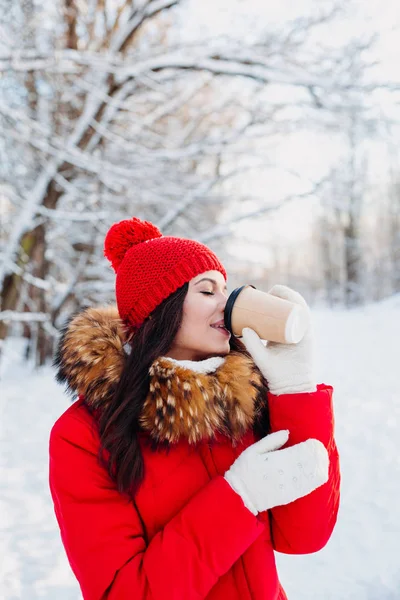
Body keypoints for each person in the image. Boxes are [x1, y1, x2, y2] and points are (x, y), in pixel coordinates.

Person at [49, 217, 340, 600]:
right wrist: (239, 498)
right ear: (159, 308)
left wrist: (295, 389)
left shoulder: (238, 403)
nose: (228, 302)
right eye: (207, 291)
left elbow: (304, 536)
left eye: (225, 287)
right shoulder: (83, 436)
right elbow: (123, 592)